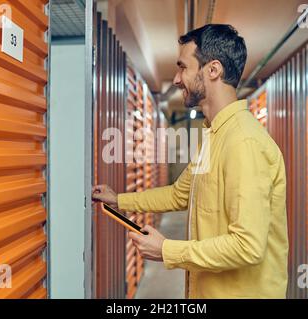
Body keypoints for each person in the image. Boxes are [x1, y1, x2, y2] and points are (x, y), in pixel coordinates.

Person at [92, 24, 288, 299]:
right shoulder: (215, 135)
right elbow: (178, 194)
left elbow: (248, 246)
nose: (176, 79)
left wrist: (167, 250)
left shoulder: (244, 143)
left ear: (213, 70)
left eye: (183, 67)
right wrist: (118, 201)